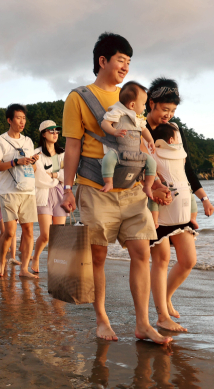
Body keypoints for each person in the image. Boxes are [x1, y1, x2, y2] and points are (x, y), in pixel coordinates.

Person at [60, 32, 172, 344]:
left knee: (142, 253)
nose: (125, 67)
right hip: (97, 187)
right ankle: (102, 318)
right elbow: (71, 147)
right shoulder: (79, 98)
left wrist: (158, 182)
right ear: (103, 61)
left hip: (134, 189)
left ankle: (142, 324)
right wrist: (66, 189)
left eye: (129, 62)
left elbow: (141, 145)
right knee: (97, 257)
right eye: (121, 60)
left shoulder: (131, 97)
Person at [145, 78, 214, 332]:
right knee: (161, 258)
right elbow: (139, 169)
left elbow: (185, 167)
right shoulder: (140, 130)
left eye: (172, 111)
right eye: (165, 110)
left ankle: (166, 297)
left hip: (180, 203)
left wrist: (203, 198)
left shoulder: (174, 129)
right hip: (152, 203)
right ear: (151, 103)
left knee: (188, 259)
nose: (168, 115)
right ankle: (162, 316)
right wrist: (154, 190)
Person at [0, 104, 40, 278]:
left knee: (28, 231)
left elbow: (32, 169)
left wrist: (32, 161)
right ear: (9, 120)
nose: (22, 121)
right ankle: (2, 259)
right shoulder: (0, 140)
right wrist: (15, 162)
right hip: (8, 191)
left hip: (27, 190)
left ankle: (24, 269)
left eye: (24, 118)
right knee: (10, 232)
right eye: (18, 118)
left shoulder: (28, 141)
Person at [100, 81, 157, 195]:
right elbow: (104, 123)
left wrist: (150, 140)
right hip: (119, 150)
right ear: (132, 105)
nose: (144, 108)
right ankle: (108, 182)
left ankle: (148, 186)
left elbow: (144, 129)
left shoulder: (138, 118)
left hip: (136, 152)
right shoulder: (118, 112)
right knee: (108, 159)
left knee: (152, 163)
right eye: (143, 104)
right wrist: (114, 131)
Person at [31, 120, 67, 273]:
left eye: (57, 131)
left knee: (58, 236)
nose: (55, 133)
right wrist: (58, 176)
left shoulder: (62, 152)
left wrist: (54, 174)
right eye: (51, 131)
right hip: (42, 194)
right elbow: (36, 176)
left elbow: (69, 174)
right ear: (44, 133)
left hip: (60, 193)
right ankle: (36, 257)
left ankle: (55, 265)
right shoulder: (36, 153)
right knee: (46, 235)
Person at [0, 171, 21, 266]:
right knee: (4, 231)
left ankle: (13, 257)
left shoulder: (14, 171)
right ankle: (0, 254)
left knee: (13, 233)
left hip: (11, 205)